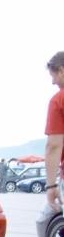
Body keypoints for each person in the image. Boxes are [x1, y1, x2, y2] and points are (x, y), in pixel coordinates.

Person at [44, 52, 64, 211]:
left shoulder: (58, 100)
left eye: (53, 76)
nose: (52, 82)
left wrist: (51, 186)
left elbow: (54, 146)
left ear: (61, 71)